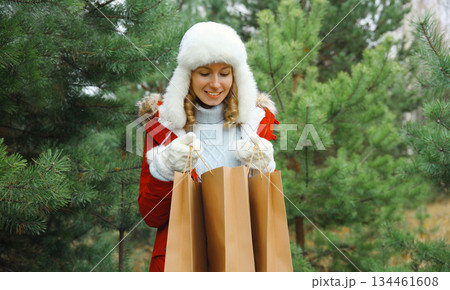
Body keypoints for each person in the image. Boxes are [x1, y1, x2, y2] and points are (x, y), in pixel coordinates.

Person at [137, 22, 279, 272]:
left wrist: (263, 170)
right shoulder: (163, 127)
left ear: (236, 75)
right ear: (187, 75)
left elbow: (267, 217)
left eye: (224, 73)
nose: (215, 84)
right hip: (182, 260)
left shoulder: (254, 125)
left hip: (243, 259)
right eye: (205, 73)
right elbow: (152, 216)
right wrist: (165, 167)